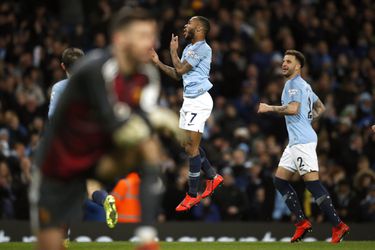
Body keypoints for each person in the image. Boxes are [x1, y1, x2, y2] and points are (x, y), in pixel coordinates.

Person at [30, 8, 180, 250]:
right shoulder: (94, 69)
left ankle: (146, 239)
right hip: (58, 161)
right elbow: (113, 122)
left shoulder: (148, 75)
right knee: (49, 244)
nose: (150, 42)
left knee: (149, 146)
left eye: (151, 34)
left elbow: (136, 122)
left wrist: (155, 122)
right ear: (120, 39)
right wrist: (154, 119)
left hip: (98, 153)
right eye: (142, 35)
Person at [257, 50, 350, 243]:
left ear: (298, 66)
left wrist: (269, 108)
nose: (284, 64)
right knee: (280, 181)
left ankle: (338, 225)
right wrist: (307, 121)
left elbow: (293, 109)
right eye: (283, 61)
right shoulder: (305, 85)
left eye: (288, 61)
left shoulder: (293, 84)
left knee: (312, 184)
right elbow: (321, 108)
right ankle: (301, 222)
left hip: (302, 141)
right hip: (296, 141)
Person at [151, 16, 223, 212]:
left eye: (189, 23)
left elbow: (181, 69)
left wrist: (173, 52)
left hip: (199, 100)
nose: (185, 25)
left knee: (191, 148)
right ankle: (212, 176)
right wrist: (158, 62)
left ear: (199, 28)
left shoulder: (203, 48)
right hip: (189, 100)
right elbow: (177, 74)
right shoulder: (189, 49)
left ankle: (192, 194)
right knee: (186, 145)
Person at [48, 47, 119, 230]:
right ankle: (104, 198)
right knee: (89, 183)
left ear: (63, 66)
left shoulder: (60, 88)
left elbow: (53, 118)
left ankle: (62, 239)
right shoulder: (97, 87)